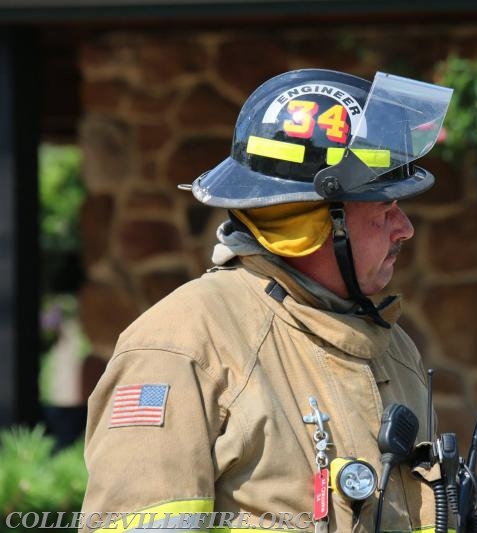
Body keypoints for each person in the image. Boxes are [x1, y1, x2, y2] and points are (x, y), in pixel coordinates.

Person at [80, 68, 453, 532]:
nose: (405, 229)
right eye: (384, 209)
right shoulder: (181, 348)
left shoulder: (394, 350)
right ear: (314, 222)